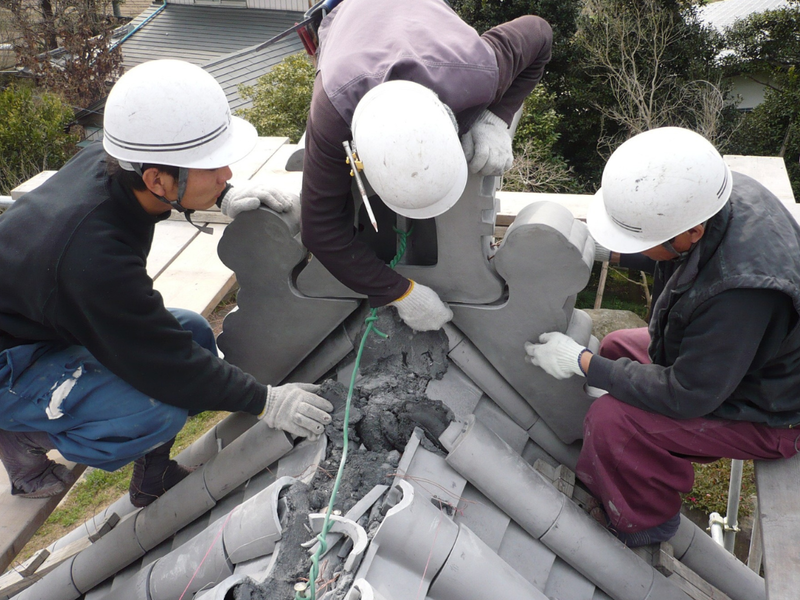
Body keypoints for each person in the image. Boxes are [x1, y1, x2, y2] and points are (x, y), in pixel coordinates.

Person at [0, 59, 333, 506]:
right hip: (11, 362)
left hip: (44, 318)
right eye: (212, 169)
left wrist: (220, 195)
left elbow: (167, 350)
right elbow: (165, 365)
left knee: (193, 332)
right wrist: (266, 402)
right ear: (157, 179)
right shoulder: (93, 258)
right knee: (155, 410)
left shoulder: (116, 166)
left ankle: (151, 477)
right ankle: (24, 438)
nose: (227, 175)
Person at [525, 127, 800, 547]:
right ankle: (635, 453)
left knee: (611, 419)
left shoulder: (742, 294)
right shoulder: (712, 196)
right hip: (747, 363)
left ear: (690, 232)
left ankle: (644, 521)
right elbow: (672, 250)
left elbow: (689, 394)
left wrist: (582, 362)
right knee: (617, 348)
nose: (638, 246)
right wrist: (605, 248)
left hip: (773, 408)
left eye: (641, 240)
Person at [230, 0, 552, 332]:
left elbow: (539, 31)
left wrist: (496, 117)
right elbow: (320, 229)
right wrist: (399, 292)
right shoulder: (332, 116)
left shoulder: (479, 74)